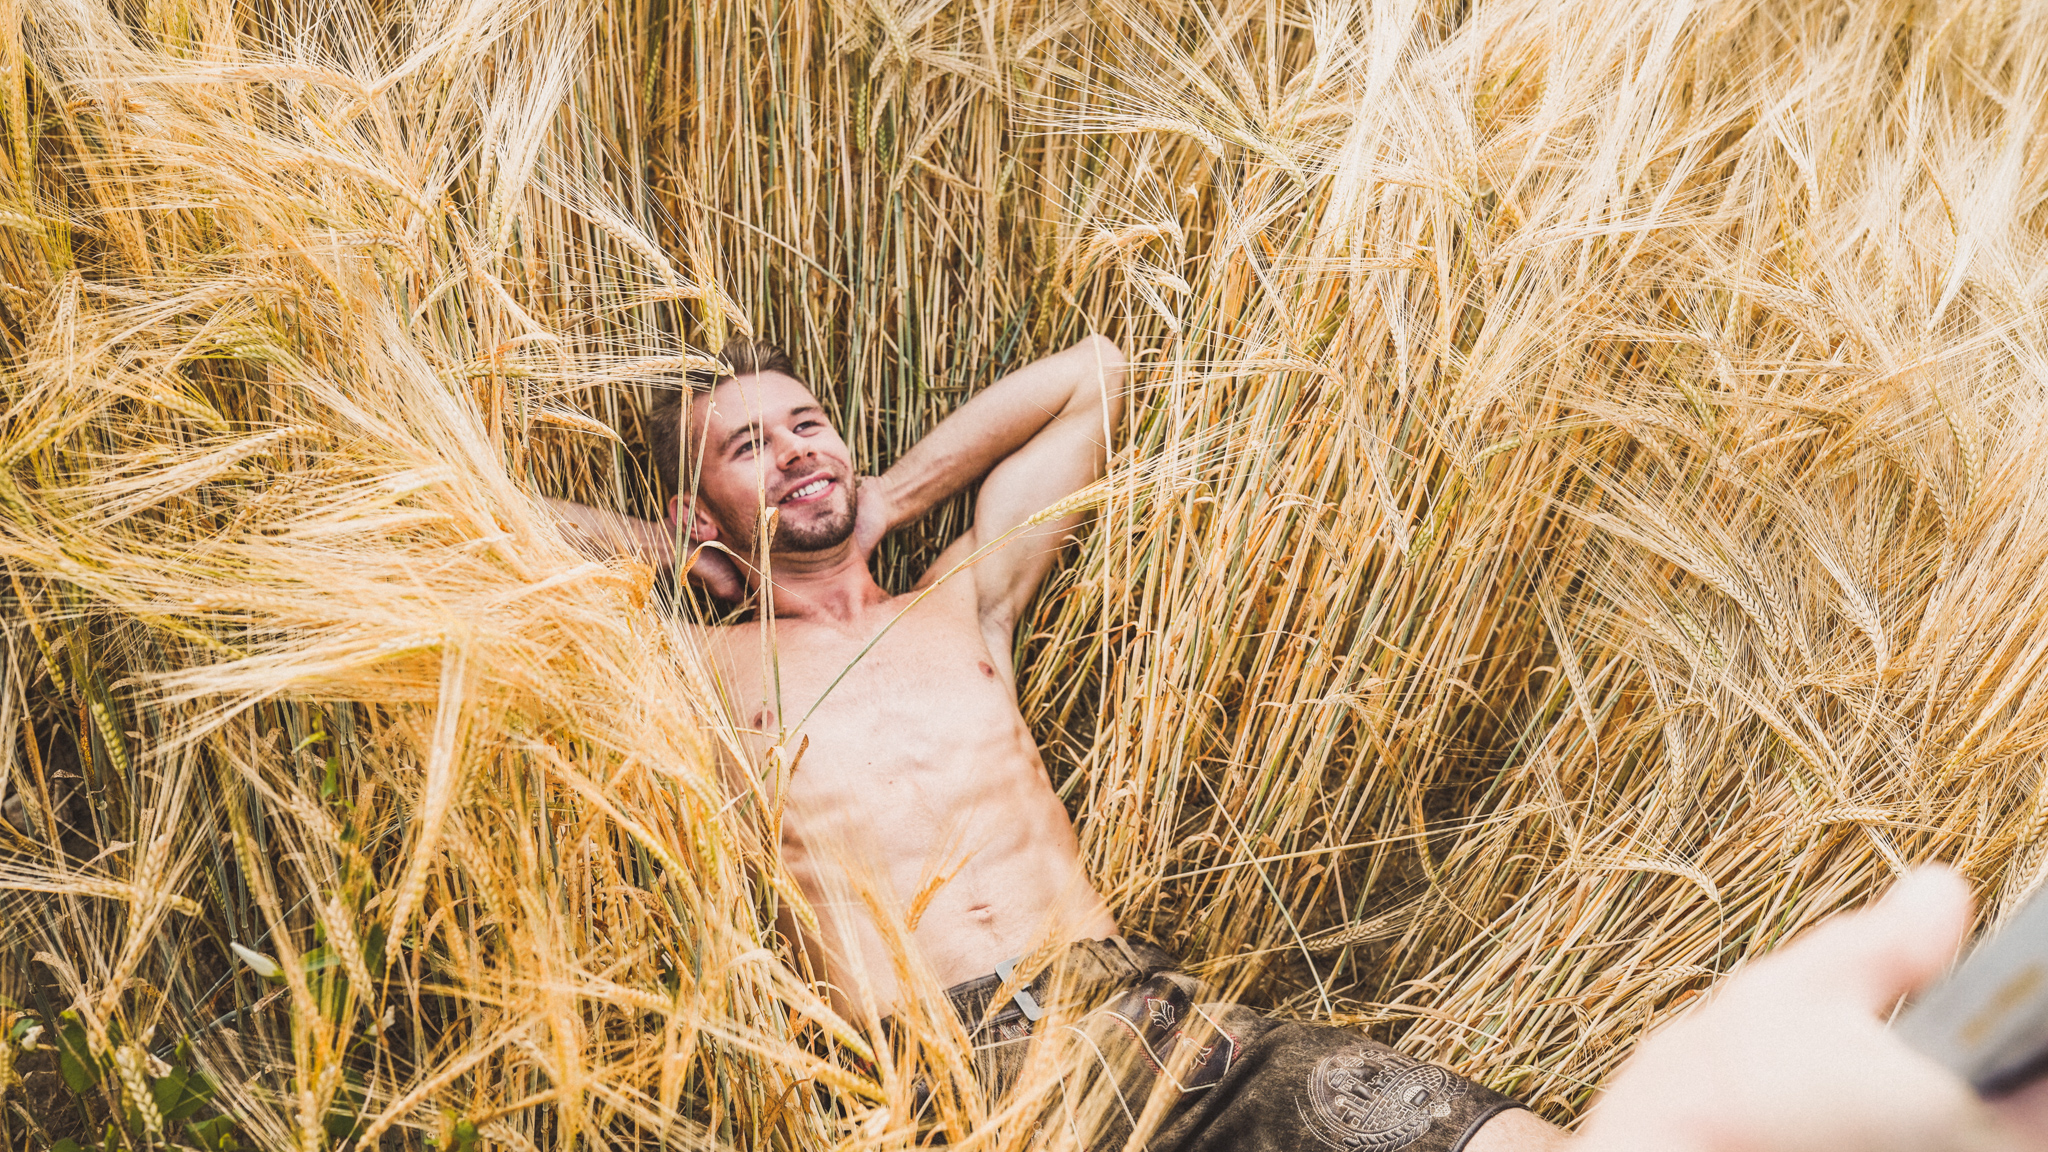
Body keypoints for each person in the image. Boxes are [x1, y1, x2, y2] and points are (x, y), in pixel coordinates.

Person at [551, 333, 1566, 1151]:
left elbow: (1091, 376)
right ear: (697, 505)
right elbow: (475, 517)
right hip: (947, 1089)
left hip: (1151, 1025)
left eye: (807, 426)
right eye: (749, 449)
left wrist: (886, 500)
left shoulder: (961, 601)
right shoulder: (694, 663)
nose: (794, 452)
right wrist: (685, 553)